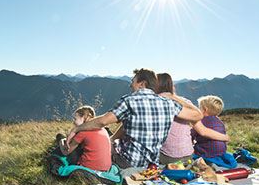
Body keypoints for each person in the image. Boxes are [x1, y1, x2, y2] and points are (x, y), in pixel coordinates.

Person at [66, 68, 203, 168]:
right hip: (152, 165)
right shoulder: (169, 104)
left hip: (127, 162)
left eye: (133, 81)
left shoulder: (129, 101)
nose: (130, 85)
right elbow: (198, 115)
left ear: (142, 84)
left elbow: (101, 121)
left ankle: (71, 155)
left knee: (93, 137)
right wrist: (175, 98)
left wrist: (78, 128)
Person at [155, 73, 230, 165]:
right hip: (188, 155)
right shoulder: (186, 102)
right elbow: (203, 131)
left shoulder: (155, 103)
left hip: (169, 157)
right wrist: (225, 137)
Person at [57, 106, 112, 171]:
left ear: (84, 117)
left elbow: (65, 152)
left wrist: (61, 141)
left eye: (75, 119)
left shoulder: (82, 132)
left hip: (88, 168)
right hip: (106, 168)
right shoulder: (103, 129)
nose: (73, 122)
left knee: (69, 150)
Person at [191, 95, 237, 168]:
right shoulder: (220, 123)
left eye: (199, 108)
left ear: (205, 110)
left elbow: (191, 135)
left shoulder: (200, 122)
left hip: (204, 154)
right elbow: (225, 140)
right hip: (220, 153)